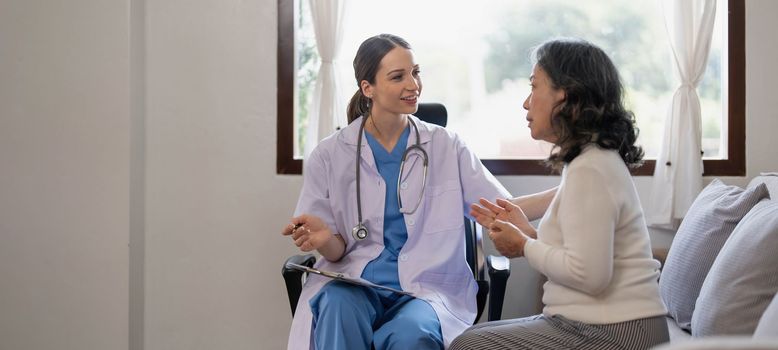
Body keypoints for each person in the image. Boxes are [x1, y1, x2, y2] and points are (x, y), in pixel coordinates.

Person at [281, 33, 515, 350]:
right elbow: (336, 252)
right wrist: (324, 240)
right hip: (355, 281)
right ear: (368, 88)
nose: (413, 85)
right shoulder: (329, 155)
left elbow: (501, 208)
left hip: (427, 287)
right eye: (398, 77)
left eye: (416, 72)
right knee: (337, 307)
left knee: (411, 335)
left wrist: (562, 194)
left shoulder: (446, 145)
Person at [450, 38, 669, 350]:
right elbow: (580, 257)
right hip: (597, 323)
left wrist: (525, 244)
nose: (526, 103)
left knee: (468, 346)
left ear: (564, 94)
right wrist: (528, 234)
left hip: (615, 331)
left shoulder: (591, 168)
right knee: (469, 341)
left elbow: (591, 276)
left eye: (534, 87)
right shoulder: (590, 161)